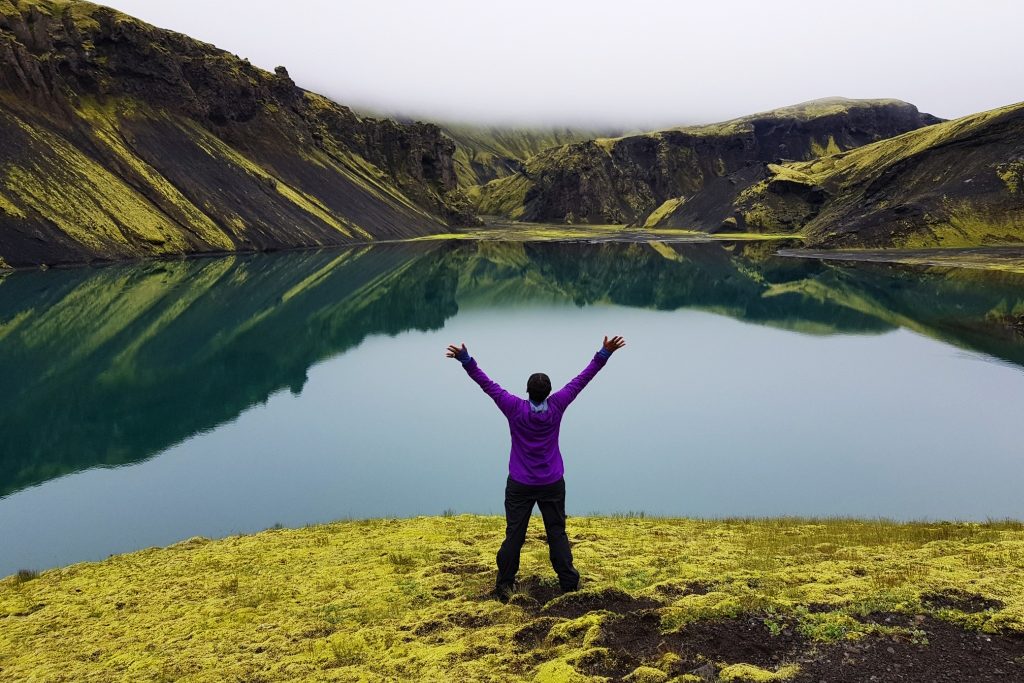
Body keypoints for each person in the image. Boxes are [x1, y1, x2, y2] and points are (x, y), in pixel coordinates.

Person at [445, 335, 626, 600]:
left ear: (527, 391)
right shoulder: (558, 405)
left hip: (520, 484)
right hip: (552, 482)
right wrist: (604, 353)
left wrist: (466, 360)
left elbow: (488, 385)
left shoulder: (513, 407)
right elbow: (581, 380)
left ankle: (505, 585)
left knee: (514, 535)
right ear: (549, 392)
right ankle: (568, 583)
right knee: (556, 532)